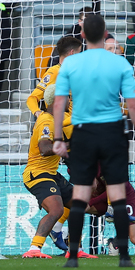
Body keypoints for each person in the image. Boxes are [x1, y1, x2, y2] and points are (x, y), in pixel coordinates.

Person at [53, 13, 135, 268]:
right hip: (112, 132)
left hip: (83, 132)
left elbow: (59, 102)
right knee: (117, 195)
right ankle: (124, 255)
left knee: (81, 193)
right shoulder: (121, 64)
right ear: (106, 34)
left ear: (82, 35)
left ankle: (72, 255)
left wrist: (58, 138)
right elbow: (133, 105)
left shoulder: (70, 65)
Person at [22, 85, 96, 259]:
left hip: (50, 173)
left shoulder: (55, 119)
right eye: (67, 97)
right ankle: (34, 248)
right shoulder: (46, 121)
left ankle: (74, 249)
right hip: (37, 173)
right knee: (56, 210)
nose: (70, 101)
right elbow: (45, 148)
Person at [27, 37, 82, 119]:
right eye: (79, 53)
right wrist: (38, 113)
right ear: (72, 53)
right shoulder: (54, 72)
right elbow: (32, 98)